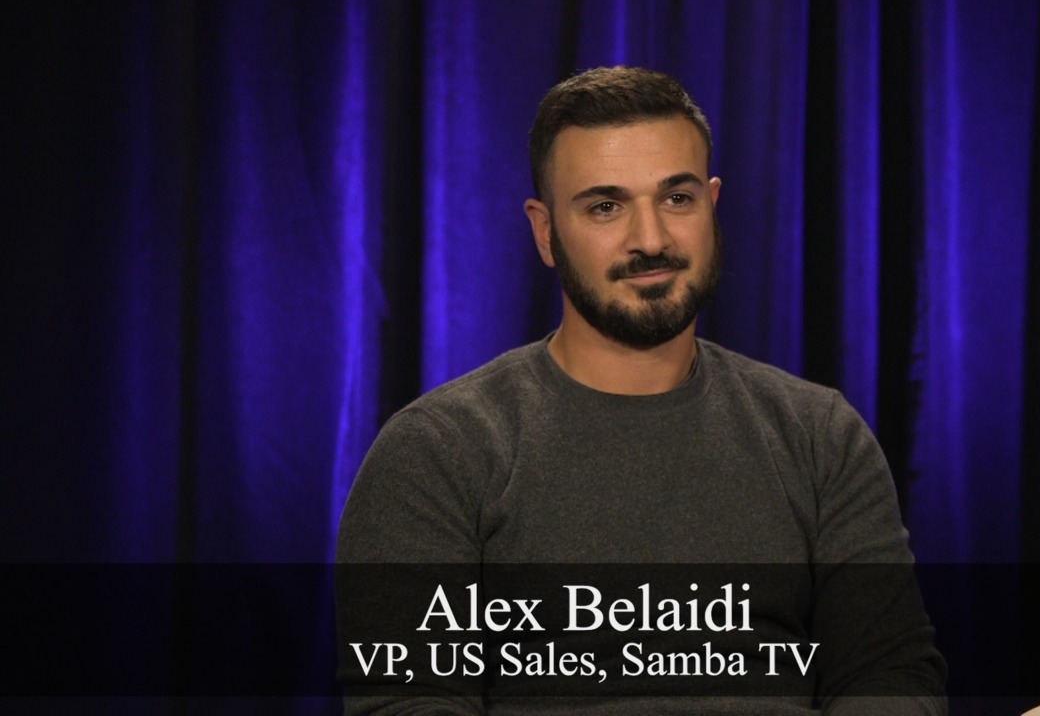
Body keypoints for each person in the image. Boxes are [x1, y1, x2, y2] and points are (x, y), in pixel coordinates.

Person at [337, 66, 946, 715]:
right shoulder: (437, 452)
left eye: (677, 198)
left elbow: (890, 676)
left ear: (712, 204)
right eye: (606, 206)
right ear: (545, 232)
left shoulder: (820, 435)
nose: (650, 240)